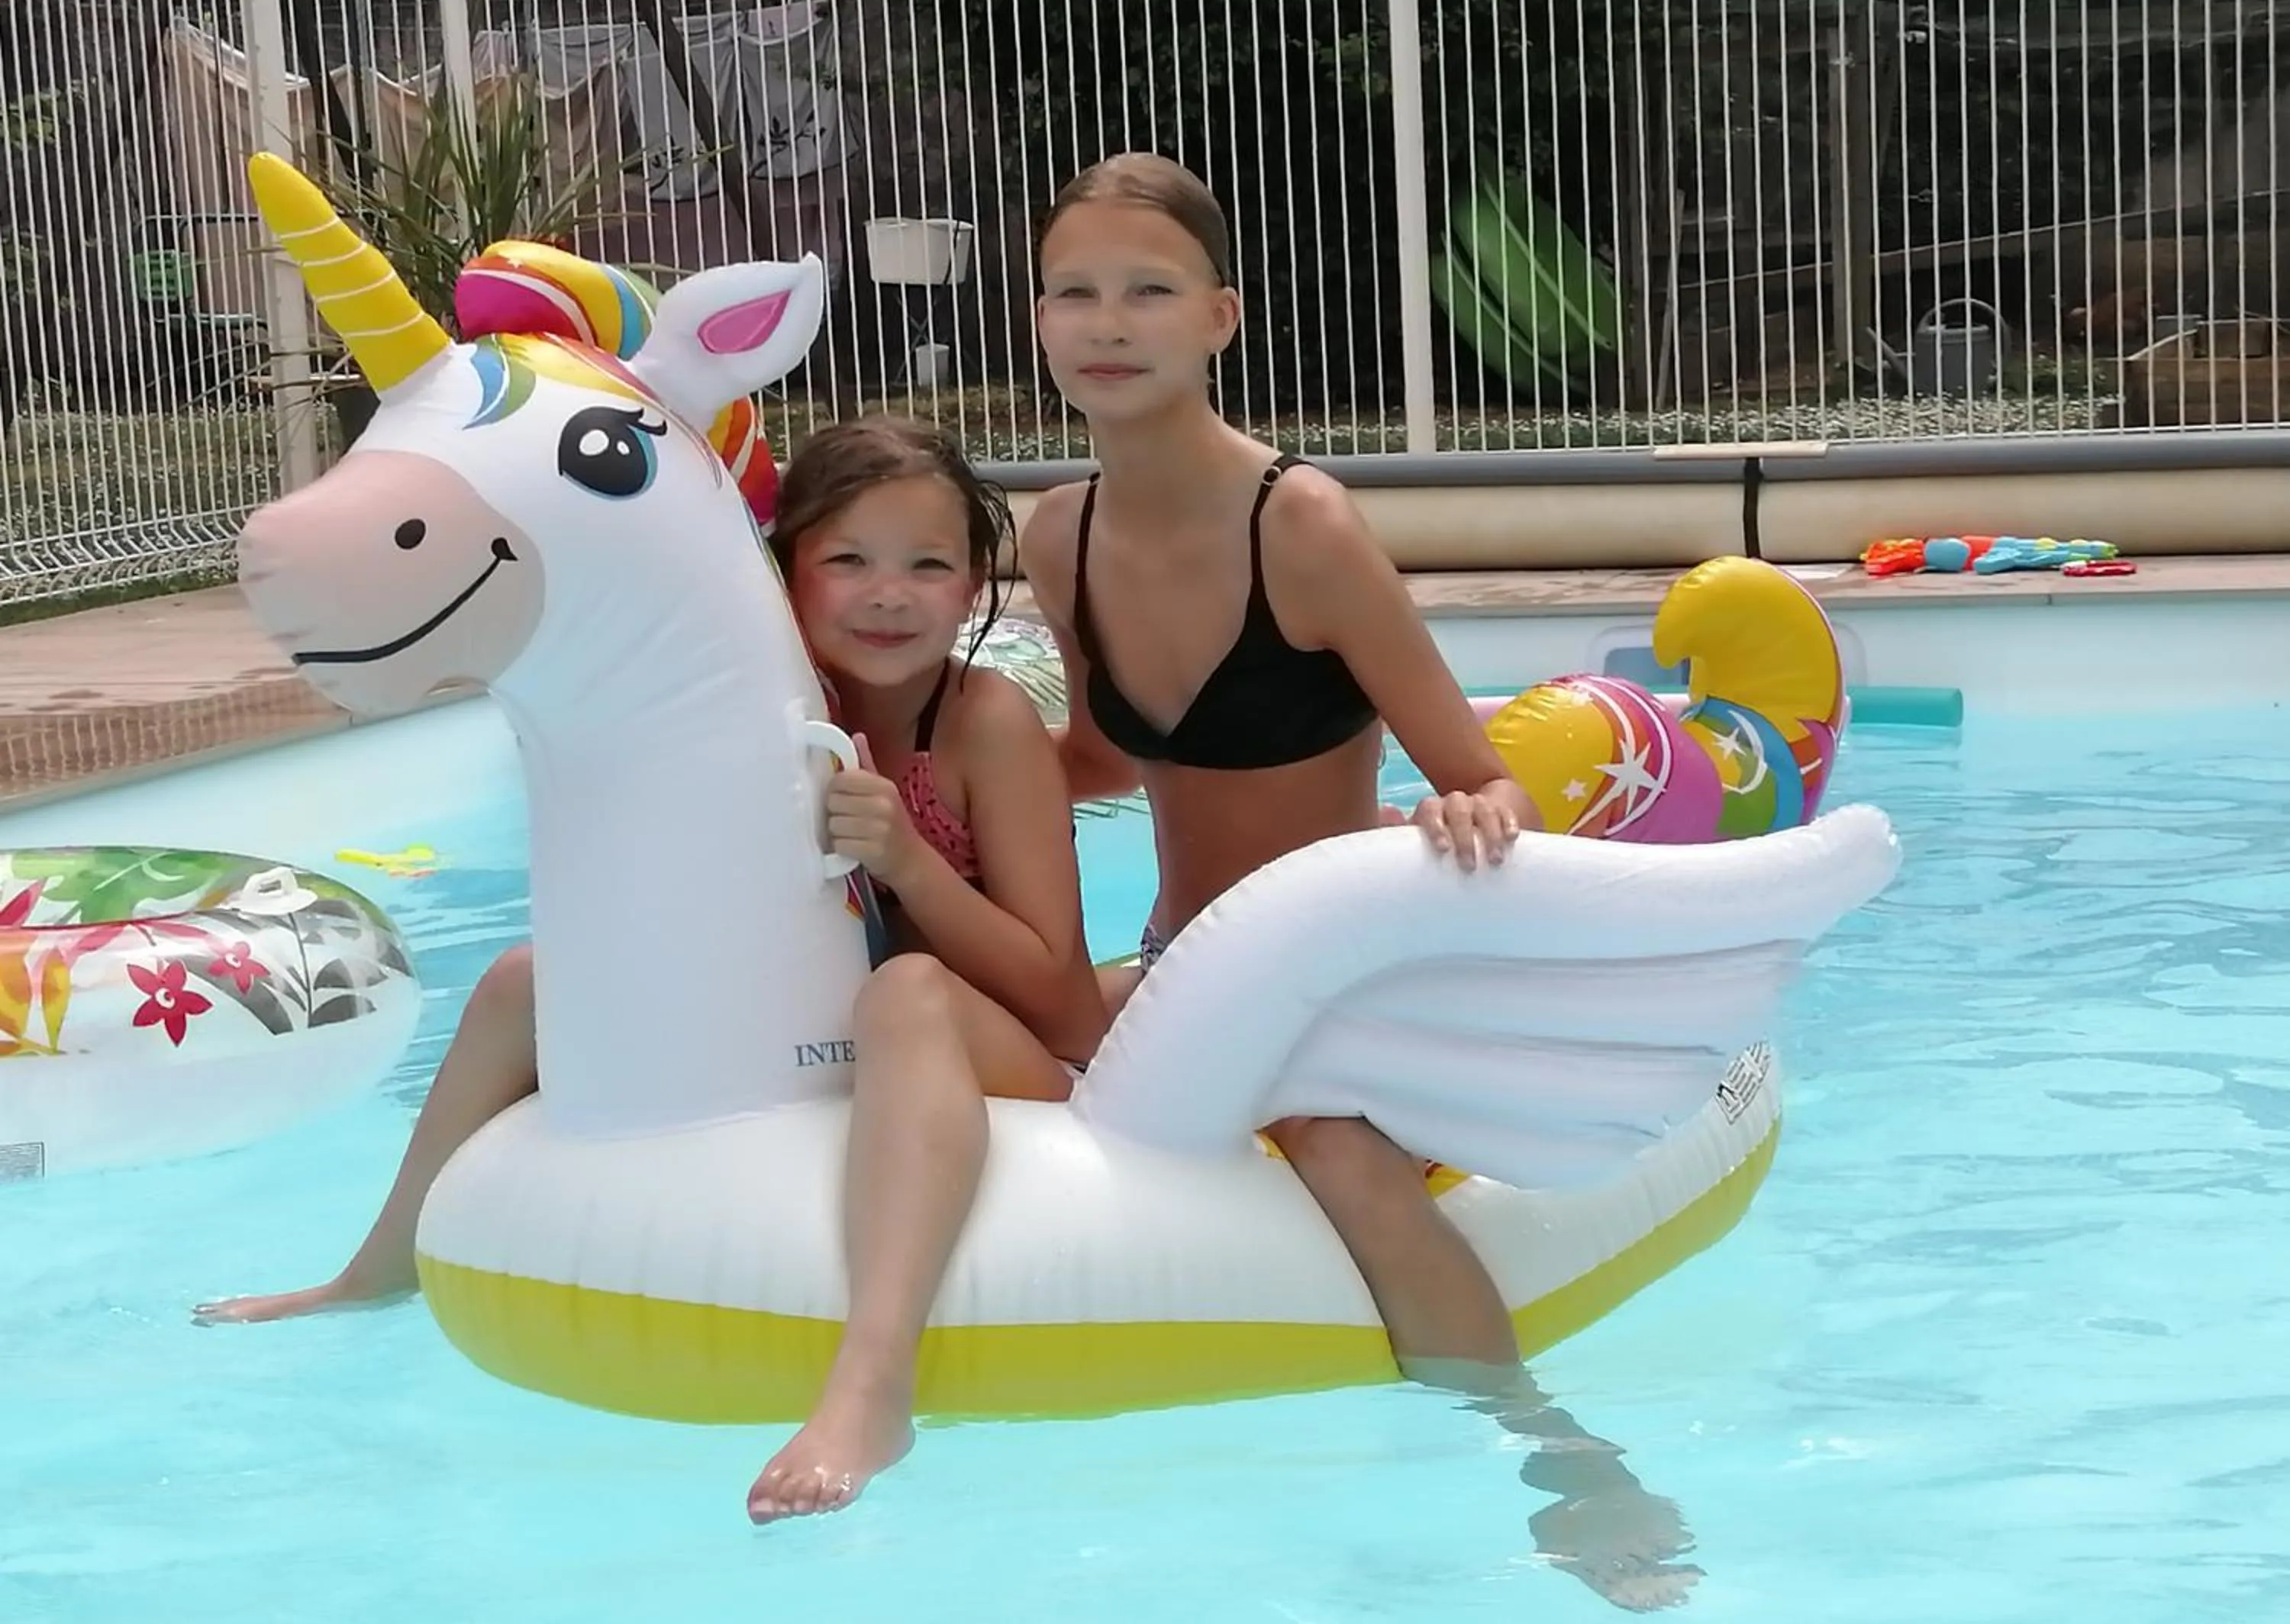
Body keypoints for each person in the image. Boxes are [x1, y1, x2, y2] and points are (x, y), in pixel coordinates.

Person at [199, 416, 1108, 1527]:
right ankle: (378, 1268)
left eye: (930, 564)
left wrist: (908, 861)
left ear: (975, 587)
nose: (890, 594)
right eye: (848, 561)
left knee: (903, 992)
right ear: (783, 574)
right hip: (821, 1039)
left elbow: (1060, 996)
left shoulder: (982, 725)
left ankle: (872, 1387)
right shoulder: (759, 710)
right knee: (526, 980)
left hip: (992, 1043)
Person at [1017, 152, 1700, 1611]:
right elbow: (1103, 760)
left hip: (1344, 968)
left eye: (1147, 289)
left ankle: (1553, 1447)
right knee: (983, 1034)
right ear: (1039, 319)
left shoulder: (1301, 524)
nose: (1106, 321)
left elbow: (1481, 770)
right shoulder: (1051, 532)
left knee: (1335, 1149)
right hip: (1190, 955)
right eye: (1074, 291)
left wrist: (1471, 817)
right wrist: (949, 766)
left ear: (1221, 316)